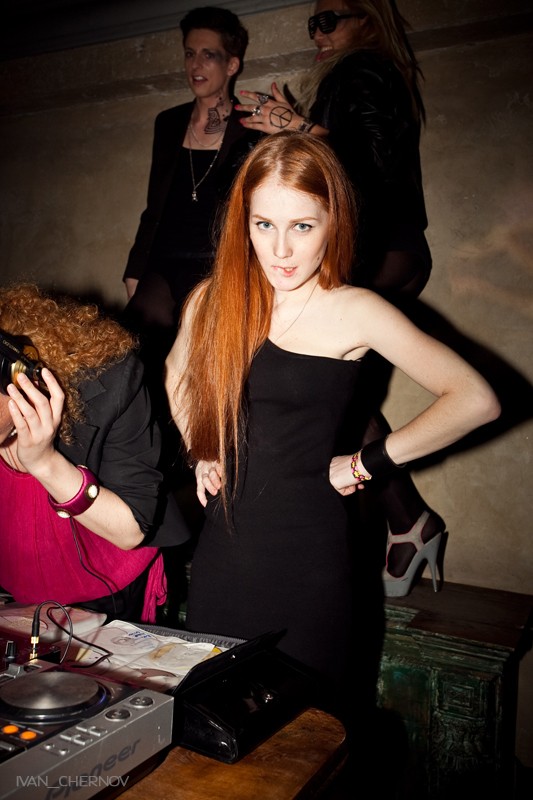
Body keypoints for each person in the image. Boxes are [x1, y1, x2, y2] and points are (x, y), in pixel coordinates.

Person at [164, 133, 500, 716]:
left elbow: (474, 399)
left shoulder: (355, 310)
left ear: (332, 221)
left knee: (310, 739)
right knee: (218, 734)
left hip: (309, 565)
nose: (281, 249)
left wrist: (366, 463)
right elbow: (176, 373)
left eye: (302, 226)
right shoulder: (212, 300)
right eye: (264, 224)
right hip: (223, 561)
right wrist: (202, 448)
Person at [235, 0, 442, 595]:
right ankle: (407, 522)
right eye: (313, 22)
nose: (317, 31)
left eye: (331, 19)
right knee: (339, 390)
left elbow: (365, 165)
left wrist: (295, 129)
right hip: (390, 244)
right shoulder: (360, 75)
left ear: (367, 19)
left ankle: (408, 520)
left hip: (382, 244)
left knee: (326, 387)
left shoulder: (364, 68)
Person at [0, 283, 190, 623]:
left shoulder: (111, 382)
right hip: (16, 587)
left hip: (106, 588)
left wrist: (44, 463)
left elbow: (130, 530)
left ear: (22, 379)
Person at [123, 6, 261, 366]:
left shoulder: (252, 126)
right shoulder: (168, 123)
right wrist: (135, 270)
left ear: (232, 65)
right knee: (133, 357)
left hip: (218, 264)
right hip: (164, 262)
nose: (195, 65)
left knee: (207, 366)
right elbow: (155, 206)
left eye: (208, 55)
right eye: (189, 54)